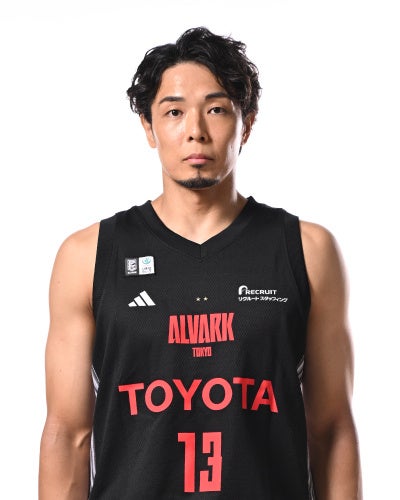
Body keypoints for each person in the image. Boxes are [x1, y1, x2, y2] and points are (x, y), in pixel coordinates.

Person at [39, 27, 362, 499]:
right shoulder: (87, 255)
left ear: (246, 124)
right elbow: (67, 433)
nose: (195, 130)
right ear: (149, 127)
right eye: (173, 112)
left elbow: (332, 429)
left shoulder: (307, 249)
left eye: (216, 109)